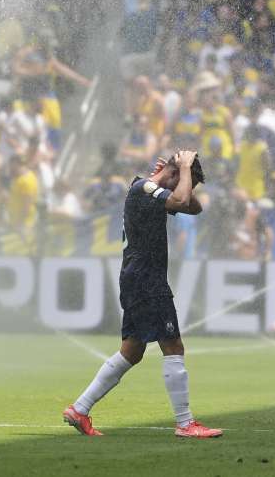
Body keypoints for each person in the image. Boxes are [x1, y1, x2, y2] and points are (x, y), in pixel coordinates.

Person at [63, 151, 222, 439]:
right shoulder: (146, 189)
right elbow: (183, 200)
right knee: (173, 345)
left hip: (137, 278)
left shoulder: (151, 189)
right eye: (186, 180)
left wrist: (183, 172)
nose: (188, 187)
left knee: (132, 351)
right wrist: (184, 167)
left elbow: (193, 207)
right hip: (147, 279)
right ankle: (185, 424)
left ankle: (79, 409)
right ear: (173, 174)